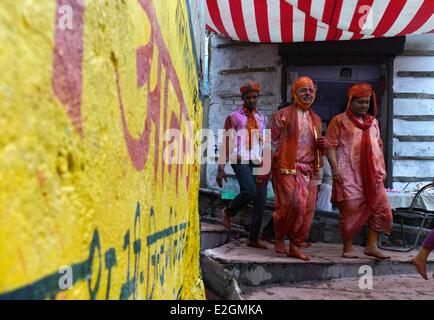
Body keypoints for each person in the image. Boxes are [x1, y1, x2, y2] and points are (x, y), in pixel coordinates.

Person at [326, 83, 393, 260]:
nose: (364, 105)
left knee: (381, 209)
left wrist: (382, 169)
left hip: (374, 175)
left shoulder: (374, 122)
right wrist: (335, 168)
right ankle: (347, 248)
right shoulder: (339, 120)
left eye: (367, 102)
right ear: (350, 102)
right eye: (360, 102)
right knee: (350, 210)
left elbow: (379, 145)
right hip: (348, 173)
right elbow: (330, 146)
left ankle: (371, 246)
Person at [269, 76, 326, 261]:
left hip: (308, 168)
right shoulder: (283, 114)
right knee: (289, 205)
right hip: (285, 166)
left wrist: (322, 145)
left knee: (305, 208)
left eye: (311, 90)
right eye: (303, 90)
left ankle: (294, 244)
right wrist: (264, 170)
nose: (308, 94)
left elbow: (316, 147)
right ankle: (278, 236)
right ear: (295, 92)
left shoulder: (316, 119)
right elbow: (270, 142)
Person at [216, 81, 269, 249]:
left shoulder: (262, 118)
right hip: (239, 159)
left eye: (255, 97)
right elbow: (226, 141)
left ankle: (253, 239)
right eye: (248, 97)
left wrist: (267, 164)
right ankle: (228, 211)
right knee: (249, 192)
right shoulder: (234, 117)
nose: (252, 100)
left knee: (261, 199)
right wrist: (221, 168)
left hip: (258, 160)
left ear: (258, 98)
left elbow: (264, 143)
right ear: (243, 98)